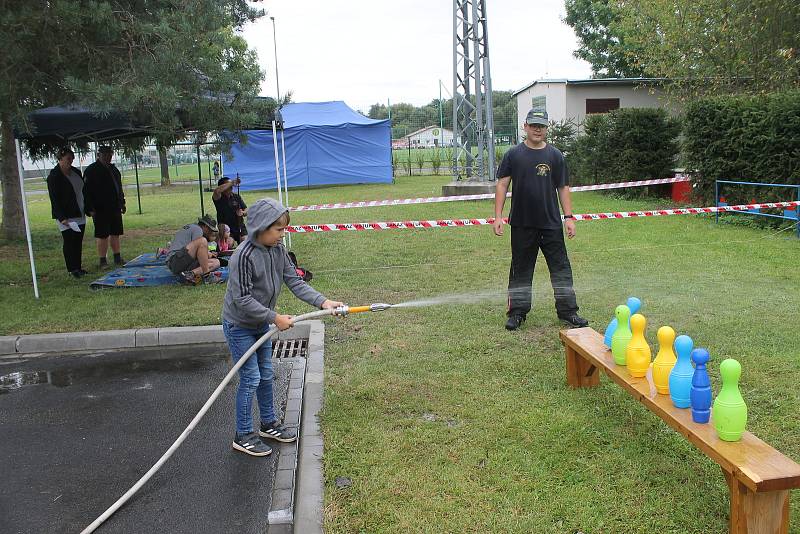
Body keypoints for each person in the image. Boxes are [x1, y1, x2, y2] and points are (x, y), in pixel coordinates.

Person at [222, 197, 343, 457]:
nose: (283, 234)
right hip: (240, 326)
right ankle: (243, 434)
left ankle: (269, 424)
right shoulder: (242, 257)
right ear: (261, 228)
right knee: (251, 377)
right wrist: (273, 317)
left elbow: (295, 281)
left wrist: (323, 302)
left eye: (284, 228)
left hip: (261, 324)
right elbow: (242, 300)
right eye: (278, 229)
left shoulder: (278, 250)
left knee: (266, 373)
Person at [493, 108, 588, 331]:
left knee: (561, 269)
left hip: (551, 224)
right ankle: (517, 313)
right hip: (522, 223)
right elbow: (502, 184)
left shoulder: (555, 156)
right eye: (534, 125)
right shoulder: (513, 155)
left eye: (542, 126)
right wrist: (498, 216)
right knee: (521, 270)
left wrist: (569, 218)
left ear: (547, 128)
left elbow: (563, 187)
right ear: (525, 126)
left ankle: (568, 312)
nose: (538, 129)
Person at [46, 148, 88, 278]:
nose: (71, 161)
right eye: (68, 159)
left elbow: (83, 191)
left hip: (79, 212)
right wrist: (62, 217)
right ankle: (72, 269)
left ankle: (78, 267)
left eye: (72, 158)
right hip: (66, 216)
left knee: (78, 241)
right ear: (60, 159)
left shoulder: (75, 171)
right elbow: (54, 199)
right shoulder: (54, 176)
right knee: (69, 241)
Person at [83, 145, 126, 268]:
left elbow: (119, 188)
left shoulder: (114, 169)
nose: (108, 157)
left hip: (115, 207)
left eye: (110, 154)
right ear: (99, 155)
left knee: (116, 232)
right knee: (102, 234)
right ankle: (103, 260)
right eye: (105, 154)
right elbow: (86, 191)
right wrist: (89, 208)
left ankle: (117, 257)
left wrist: (122, 203)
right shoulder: (91, 170)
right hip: (100, 209)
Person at [165, 214, 221, 285]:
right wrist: (208, 254)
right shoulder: (198, 229)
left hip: (180, 261)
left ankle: (189, 274)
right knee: (202, 241)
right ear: (205, 226)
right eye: (210, 230)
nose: (210, 233)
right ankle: (207, 277)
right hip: (175, 260)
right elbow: (199, 248)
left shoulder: (192, 227)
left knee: (216, 262)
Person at [212, 176, 247, 243]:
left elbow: (246, 209)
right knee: (229, 243)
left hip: (239, 226)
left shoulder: (236, 196)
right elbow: (217, 191)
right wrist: (232, 182)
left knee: (245, 241)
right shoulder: (218, 197)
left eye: (231, 185)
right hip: (225, 228)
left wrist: (243, 212)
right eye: (228, 185)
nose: (231, 187)